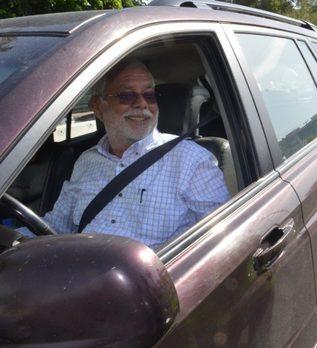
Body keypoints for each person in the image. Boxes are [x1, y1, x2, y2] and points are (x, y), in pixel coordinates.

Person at [33, 60, 230, 248]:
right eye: (127, 95)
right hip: (79, 272)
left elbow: (220, 235)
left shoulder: (192, 160)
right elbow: (56, 226)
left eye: (150, 95)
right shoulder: (86, 161)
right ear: (98, 107)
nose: (142, 104)